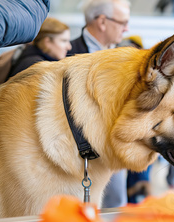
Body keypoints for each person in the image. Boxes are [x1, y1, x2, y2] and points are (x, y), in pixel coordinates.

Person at [67, 0, 131, 208]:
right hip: (75, 153)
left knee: (115, 207)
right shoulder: (67, 54)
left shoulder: (125, 57)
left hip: (115, 150)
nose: (127, 28)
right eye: (123, 22)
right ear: (102, 22)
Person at [0, 0, 50, 122]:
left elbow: (34, 5)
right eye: (63, 40)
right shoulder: (32, 62)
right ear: (48, 41)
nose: (69, 46)